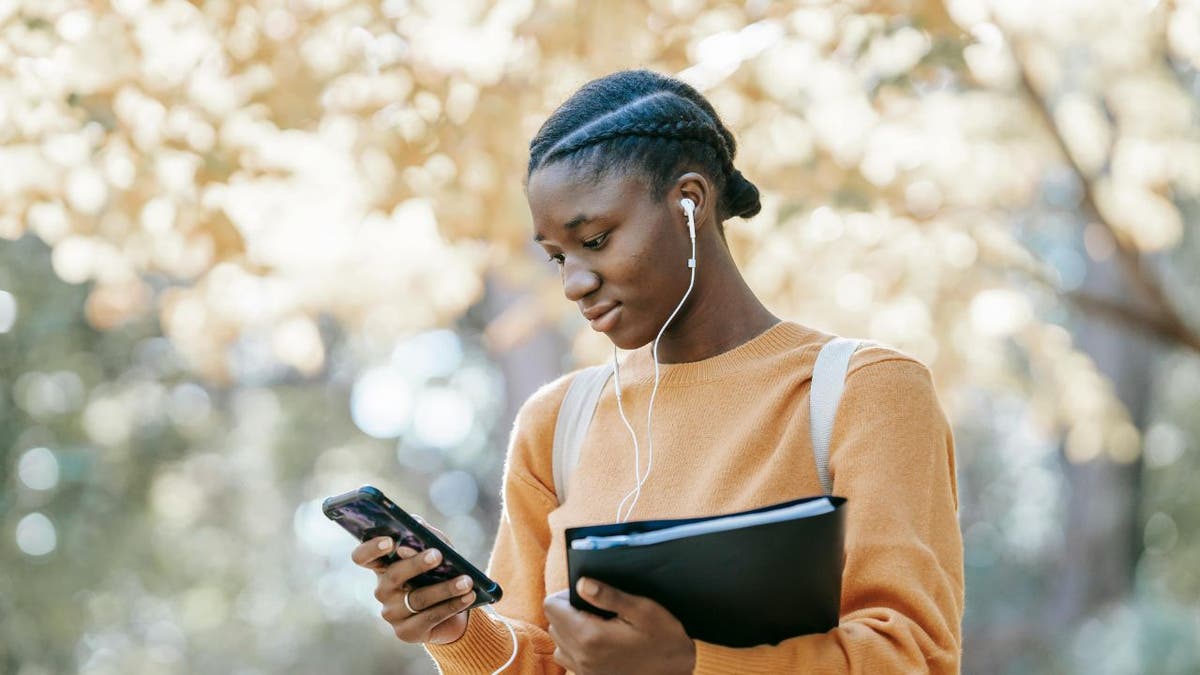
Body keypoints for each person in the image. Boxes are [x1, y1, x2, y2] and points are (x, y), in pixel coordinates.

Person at [351, 69, 964, 674]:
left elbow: (914, 658)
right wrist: (459, 629)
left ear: (690, 202)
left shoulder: (862, 392)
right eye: (558, 257)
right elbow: (535, 661)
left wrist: (689, 664)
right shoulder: (558, 424)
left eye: (595, 240)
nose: (573, 283)